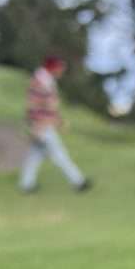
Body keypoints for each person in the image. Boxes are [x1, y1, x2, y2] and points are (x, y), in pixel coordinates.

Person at [19, 56, 92, 193]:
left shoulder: (44, 80)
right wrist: (47, 123)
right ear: (52, 67)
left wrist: (55, 120)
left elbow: (45, 105)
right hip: (42, 126)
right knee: (59, 154)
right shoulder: (41, 82)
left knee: (35, 155)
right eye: (60, 68)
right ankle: (79, 182)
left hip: (41, 125)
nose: (61, 71)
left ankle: (26, 184)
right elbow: (38, 106)